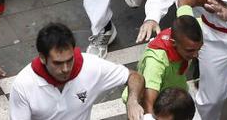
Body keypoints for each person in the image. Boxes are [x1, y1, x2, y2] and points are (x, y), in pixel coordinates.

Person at [8, 22, 145, 120]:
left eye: (69, 60)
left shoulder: (91, 66)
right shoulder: (23, 85)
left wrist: (133, 101)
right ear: (43, 58)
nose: (66, 69)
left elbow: (134, 77)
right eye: (58, 63)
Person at [122, 2, 201, 115]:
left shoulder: (190, 29)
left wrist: (204, 1)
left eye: (199, 48)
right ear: (174, 43)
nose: (196, 55)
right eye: (190, 50)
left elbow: (184, 1)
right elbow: (148, 103)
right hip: (154, 105)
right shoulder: (156, 63)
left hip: (173, 95)